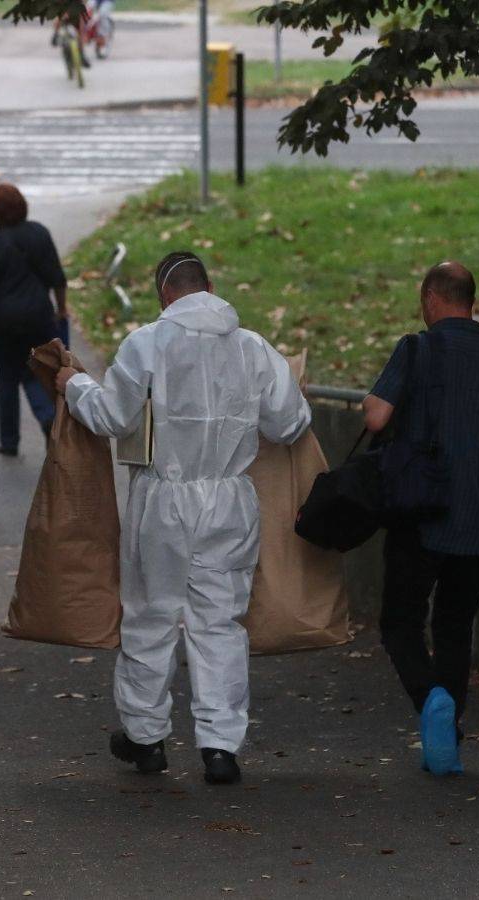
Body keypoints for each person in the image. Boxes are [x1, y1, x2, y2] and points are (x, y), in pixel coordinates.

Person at [55, 251, 311, 785]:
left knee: (151, 617)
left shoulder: (146, 343)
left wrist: (73, 386)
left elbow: (110, 416)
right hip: (230, 498)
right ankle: (220, 746)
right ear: (209, 287)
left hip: (163, 498)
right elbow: (289, 426)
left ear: (163, 295)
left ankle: (146, 737)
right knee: (220, 621)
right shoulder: (254, 348)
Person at [363, 261, 479, 775]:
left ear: (429, 298)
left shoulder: (417, 349)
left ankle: (431, 704)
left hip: (419, 514)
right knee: (454, 627)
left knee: (400, 621)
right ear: (473, 302)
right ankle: (445, 734)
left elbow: (376, 416)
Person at [0, 183, 64, 456]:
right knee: (37, 374)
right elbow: (57, 278)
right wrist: (62, 309)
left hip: (3, 324)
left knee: (7, 379)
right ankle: (47, 416)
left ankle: (9, 442)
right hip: (39, 317)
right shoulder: (39, 233)